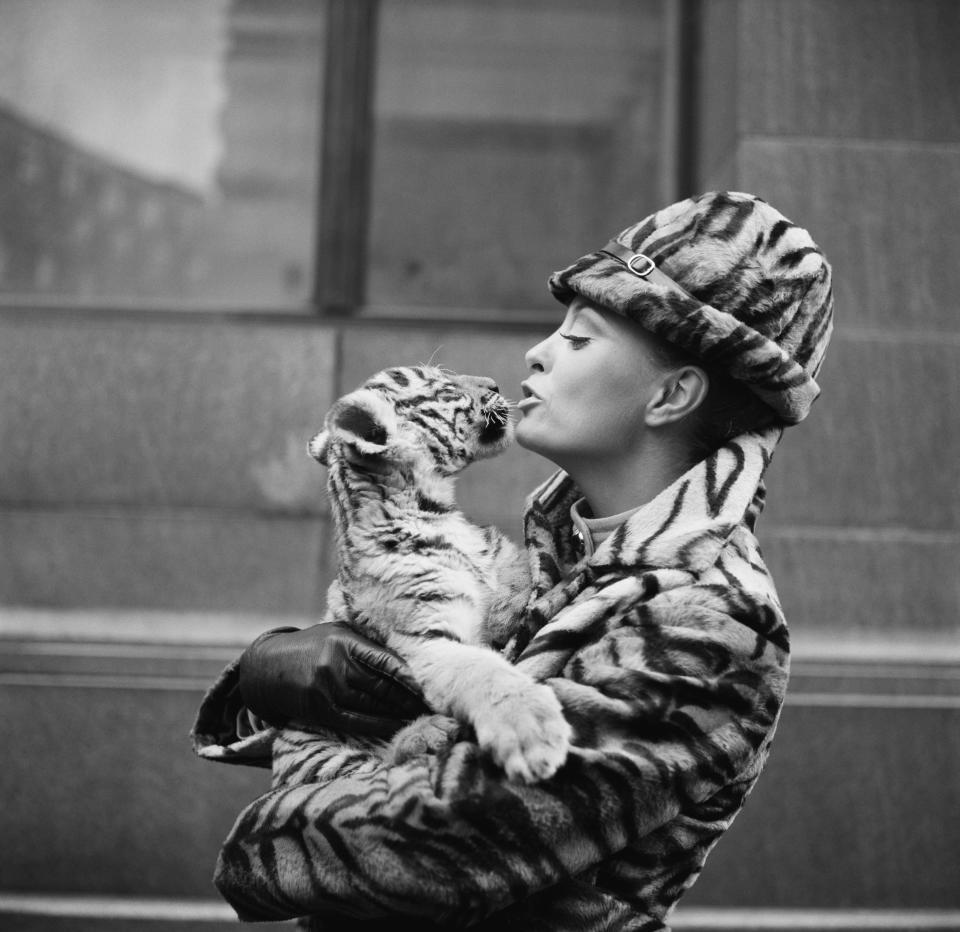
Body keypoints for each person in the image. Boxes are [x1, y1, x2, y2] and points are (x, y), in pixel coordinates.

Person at [192, 191, 833, 931]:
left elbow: (419, 853)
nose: (538, 351)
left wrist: (268, 822)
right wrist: (280, 676)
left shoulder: (713, 624)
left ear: (672, 394)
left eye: (582, 339)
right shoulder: (563, 558)